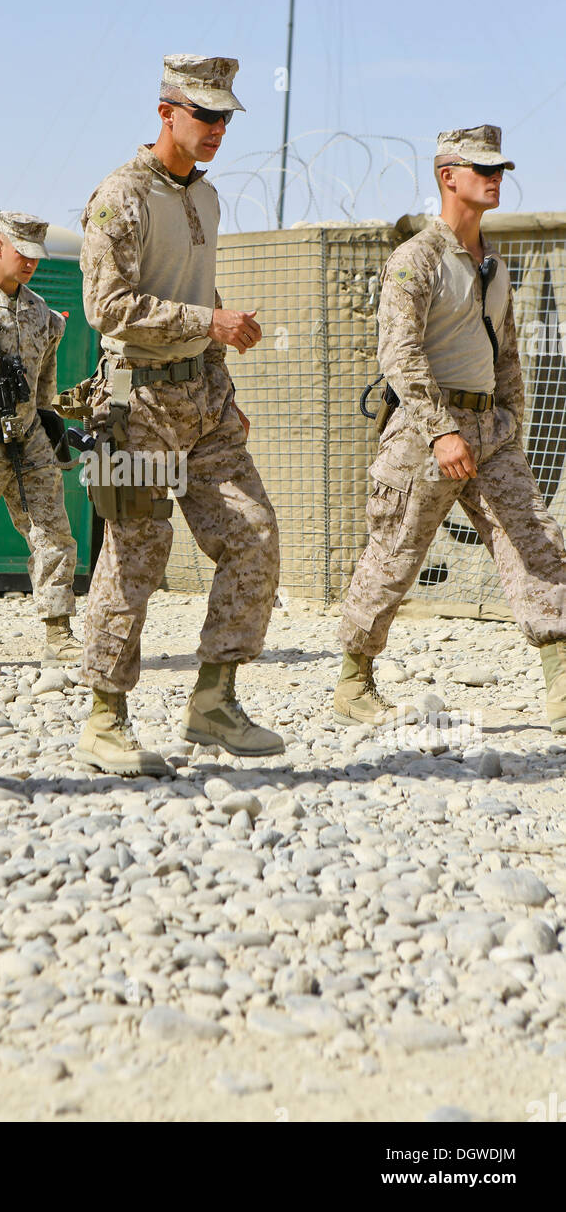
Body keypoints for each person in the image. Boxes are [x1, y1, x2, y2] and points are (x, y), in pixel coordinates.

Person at [74, 54, 283, 777]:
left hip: (205, 400)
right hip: (136, 400)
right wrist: (208, 319)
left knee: (253, 533)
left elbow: (198, 291)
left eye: (226, 117)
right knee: (136, 551)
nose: (217, 128)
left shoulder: (209, 197)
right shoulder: (120, 196)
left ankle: (214, 700)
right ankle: (104, 718)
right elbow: (107, 307)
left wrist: (223, 378)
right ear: (166, 112)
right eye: (204, 115)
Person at [335, 125, 566, 730]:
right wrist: (441, 430)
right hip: (423, 432)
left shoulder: (494, 263)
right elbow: (400, 354)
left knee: (535, 540)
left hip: (489, 430)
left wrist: (509, 418)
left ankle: (562, 683)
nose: (495, 179)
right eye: (481, 169)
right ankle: (353, 680)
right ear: (448, 177)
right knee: (394, 553)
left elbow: (508, 352)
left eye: (500, 169)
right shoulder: (418, 259)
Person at [0, 211, 80, 664]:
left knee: (53, 534)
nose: (30, 263)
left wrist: (50, 425)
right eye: (22, 254)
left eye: (35, 256)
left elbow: (45, 382)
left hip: (27, 441)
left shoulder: (43, 315)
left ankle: (58, 633)